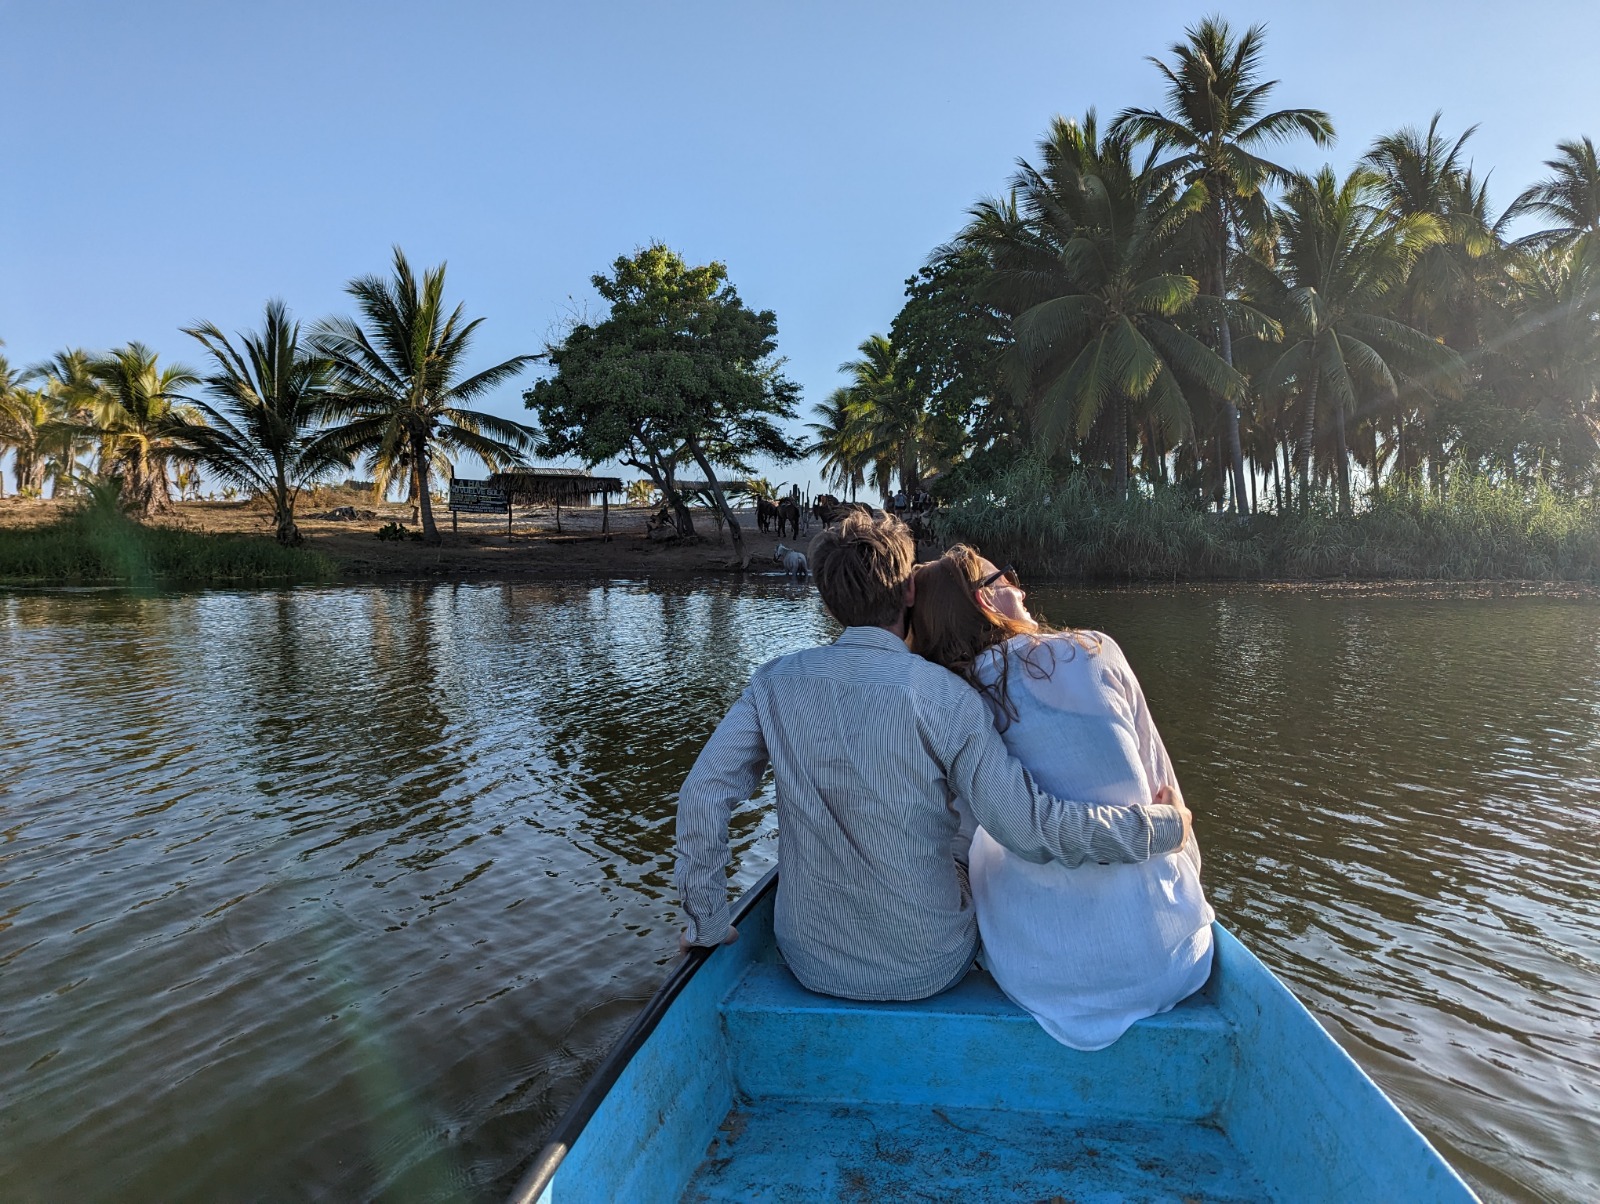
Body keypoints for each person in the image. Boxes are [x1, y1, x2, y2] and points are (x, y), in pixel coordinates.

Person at [674, 510, 1191, 1003]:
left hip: (808, 961)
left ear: (829, 602)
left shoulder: (773, 683)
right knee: (971, 830)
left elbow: (703, 792)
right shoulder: (946, 696)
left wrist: (708, 920)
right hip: (932, 966)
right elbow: (1028, 831)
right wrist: (1159, 827)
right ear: (909, 590)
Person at [909, 545, 1214, 1049]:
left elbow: (959, 841)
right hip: (1173, 959)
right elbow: (1168, 795)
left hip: (1040, 977)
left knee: (983, 833)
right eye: (1007, 578)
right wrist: (1183, 894)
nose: (1022, 589)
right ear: (986, 600)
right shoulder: (1097, 649)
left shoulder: (954, 703)